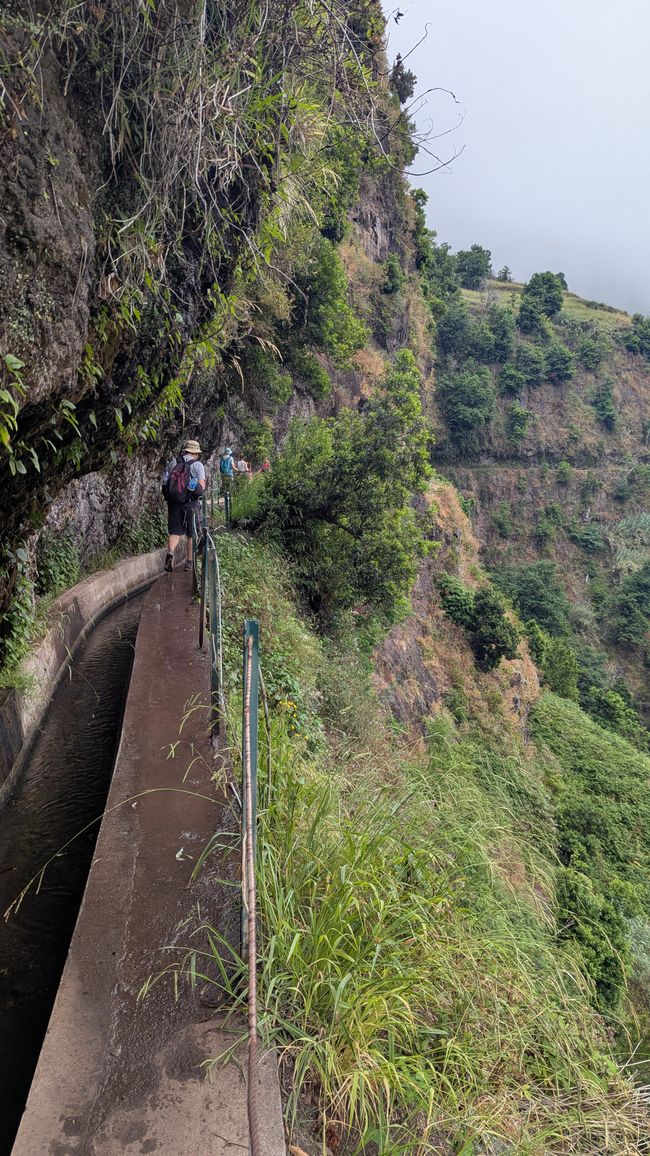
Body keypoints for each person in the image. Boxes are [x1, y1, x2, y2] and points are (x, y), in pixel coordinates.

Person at [161, 438, 206, 573]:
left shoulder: (173, 463)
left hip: (174, 503)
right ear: (196, 453)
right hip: (190, 504)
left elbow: (165, 483)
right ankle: (189, 562)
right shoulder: (197, 465)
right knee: (191, 534)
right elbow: (201, 487)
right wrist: (190, 487)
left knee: (175, 531)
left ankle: (170, 552)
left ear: (184, 451)